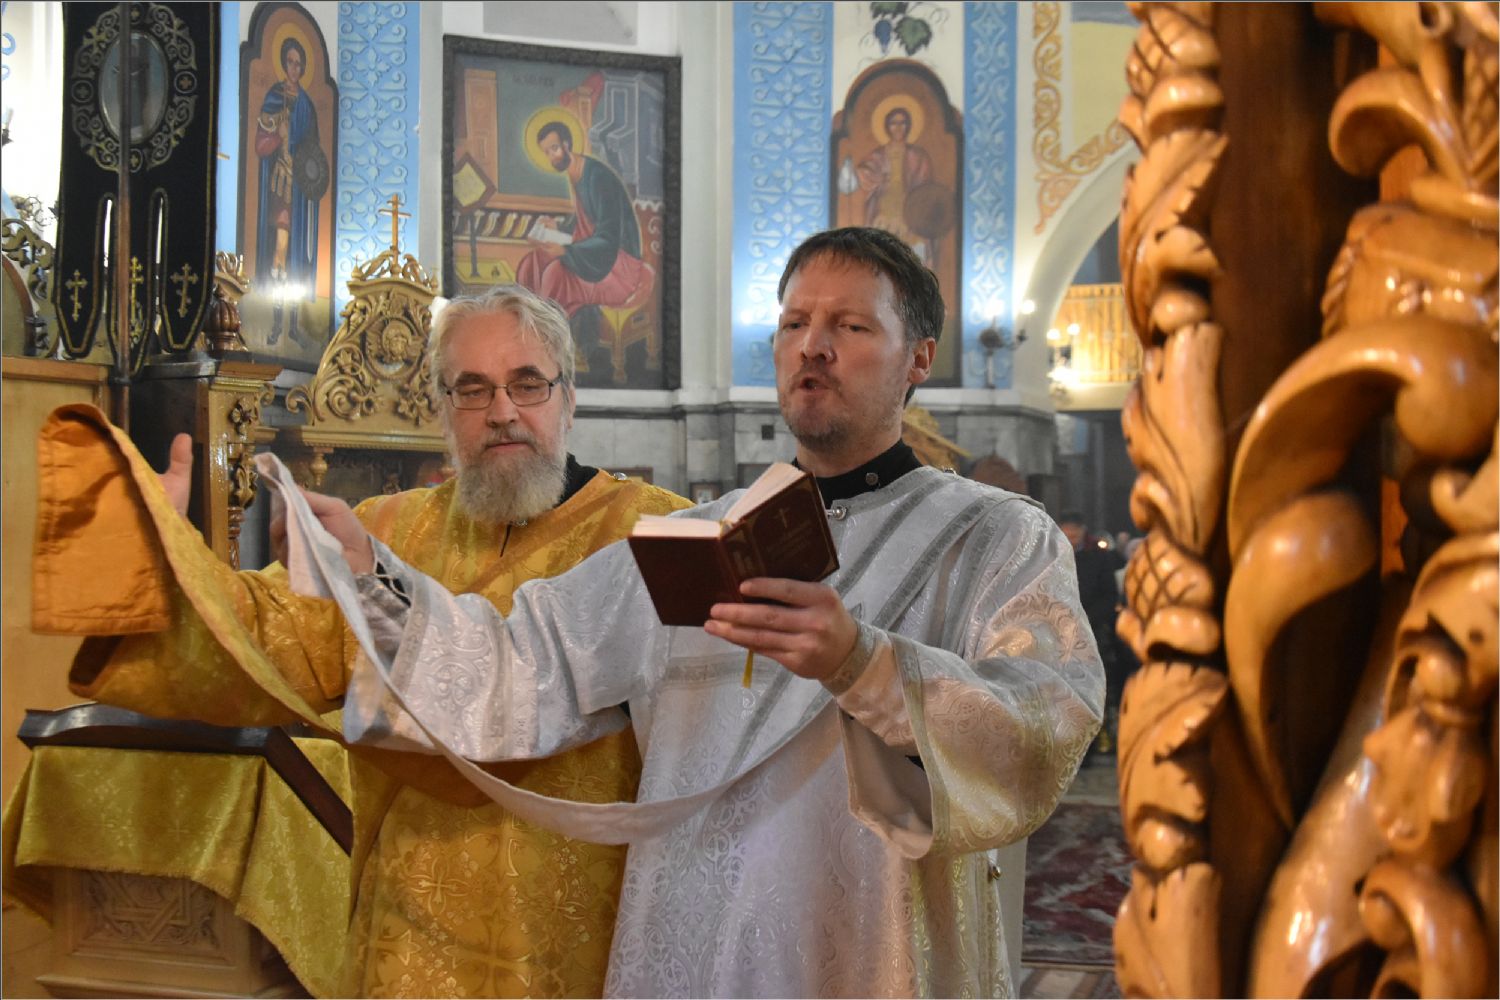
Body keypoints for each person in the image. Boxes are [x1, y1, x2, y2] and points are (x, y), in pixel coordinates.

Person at [299, 227, 1104, 996]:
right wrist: (372, 572)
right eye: (794, 323)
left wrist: (862, 664)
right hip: (688, 941)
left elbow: (1050, 715)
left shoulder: (991, 535)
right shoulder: (695, 539)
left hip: (870, 947)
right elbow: (522, 667)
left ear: (919, 357)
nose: (813, 346)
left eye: (850, 325)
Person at [30, 286, 691, 996]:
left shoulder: (658, 533)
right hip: (411, 935)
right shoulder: (382, 530)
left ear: (568, 398)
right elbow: (273, 634)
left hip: (588, 935)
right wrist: (157, 561)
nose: (502, 411)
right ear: (441, 409)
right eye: (472, 390)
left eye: (527, 384)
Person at [515, 121, 654, 320]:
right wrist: (557, 228)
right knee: (533, 263)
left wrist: (565, 251)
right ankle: (530, 323)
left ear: (566, 144)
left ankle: (549, 330)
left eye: (554, 148)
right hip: (593, 252)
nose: (552, 157)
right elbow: (586, 221)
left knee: (555, 273)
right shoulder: (575, 171)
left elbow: (607, 239)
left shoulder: (598, 178)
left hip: (617, 265)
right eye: (547, 152)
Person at [254, 36, 322, 346]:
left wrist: (307, 165)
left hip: (300, 191)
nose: (294, 68)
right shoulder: (274, 97)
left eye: (299, 63)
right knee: (280, 248)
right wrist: (279, 138)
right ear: (284, 63)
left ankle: (293, 325)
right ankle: (275, 321)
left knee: (296, 255)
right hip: (280, 186)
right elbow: (261, 142)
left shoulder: (306, 104)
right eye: (290, 62)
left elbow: (314, 151)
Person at [1058, 511, 1125, 753]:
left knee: (1091, 687)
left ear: (1082, 532)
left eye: (1074, 535)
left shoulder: (1098, 557)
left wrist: (1084, 618)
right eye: (1067, 535)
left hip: (1092, 632)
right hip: (1058, 632)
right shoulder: (1053, 552)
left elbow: (1109, 595)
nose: (1071, 540)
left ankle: (1094, 743)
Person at [858, 104, 935, 262]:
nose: (898, 128)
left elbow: (926, 189)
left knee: (914, 257)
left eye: (902, 123)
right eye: (894, 123)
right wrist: (878, 178)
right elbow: (863, 173)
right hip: (884, 212)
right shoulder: (878, 155)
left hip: (910, 215)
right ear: (887, 127)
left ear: (908, 126)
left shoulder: (918, 156)